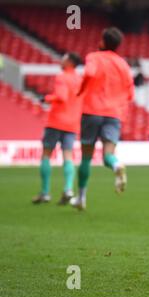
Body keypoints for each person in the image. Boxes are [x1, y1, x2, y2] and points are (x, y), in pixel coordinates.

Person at [71, 27, 134, 210]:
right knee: (108, 155)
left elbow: (89, 73)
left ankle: (81, 198)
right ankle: (116, 166)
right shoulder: (123, 64)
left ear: (102, 41)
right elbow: (130, 93)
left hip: (92, 110)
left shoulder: (94, 57)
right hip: (113, 113)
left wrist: (81, 90)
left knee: (86, 158)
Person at [32, 53, 82, 205]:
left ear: (70, 62)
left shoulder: (62, 76)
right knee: (68, 155)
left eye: (64, 58)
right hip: (73, 122)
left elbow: (61, 96)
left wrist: (45, 98)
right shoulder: (80, 79)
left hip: (57, 121)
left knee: (46, 154)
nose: (61, 60)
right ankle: (68, 189)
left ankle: (45, 192)